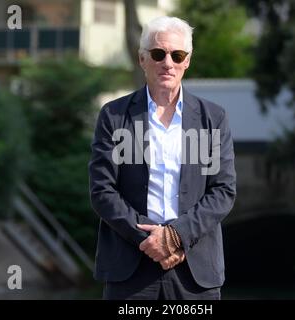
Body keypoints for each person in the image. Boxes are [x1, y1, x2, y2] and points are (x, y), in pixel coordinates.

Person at [89, 16, 236, 300]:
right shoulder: (114, 116)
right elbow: (102, 191)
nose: (167, 62)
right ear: (142, 59)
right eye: (158, 54)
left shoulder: (214, 118)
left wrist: (175, 236)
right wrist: (151, 240)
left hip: (194, 270)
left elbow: (223, 191)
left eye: (177, 55)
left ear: (187, 61)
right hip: (130, 267)